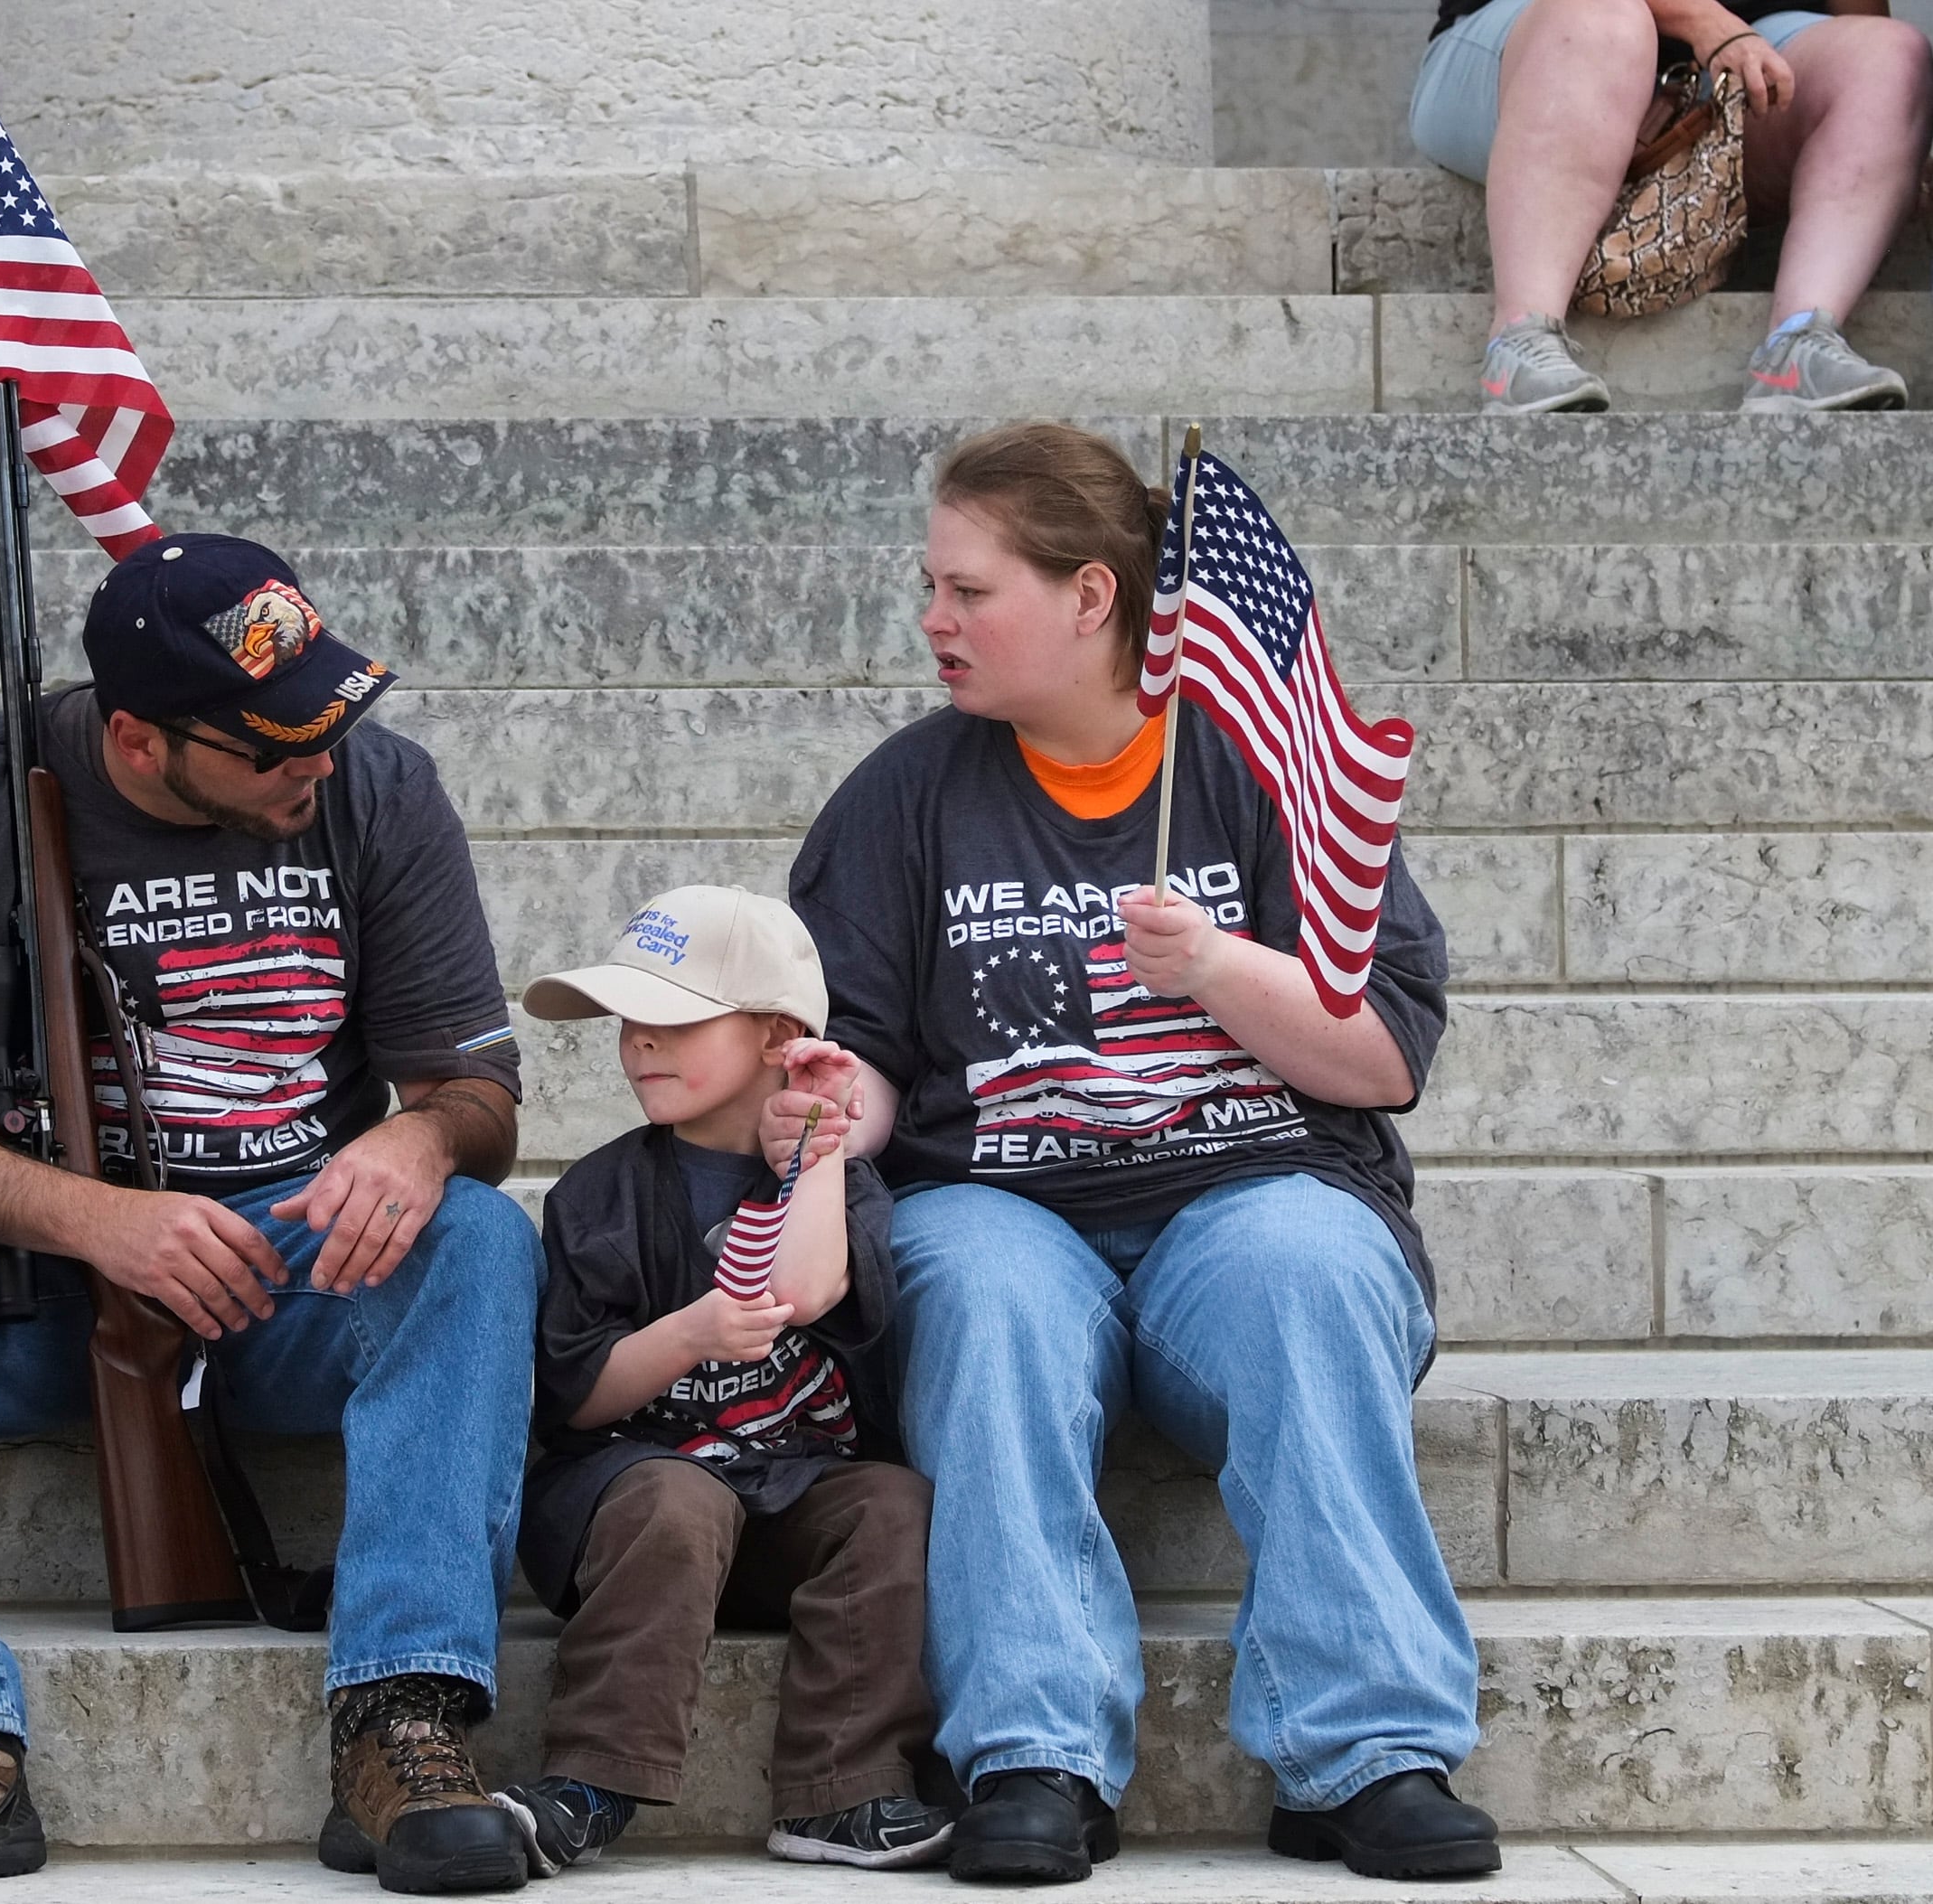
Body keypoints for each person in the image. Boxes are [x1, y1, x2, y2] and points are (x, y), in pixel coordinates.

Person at [0, 533, 542, 1899]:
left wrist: (419, 1133)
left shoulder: (379, 789)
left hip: (288, 1277)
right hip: (28, 1289)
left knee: (477, 1233)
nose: (318, 764)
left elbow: (480, 1093)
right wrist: (102, 1222)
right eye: (275, 745)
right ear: (140, 737)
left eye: (329, 724)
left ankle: (405, 1715)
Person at [778, 424, 1496, 1884]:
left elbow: (1390, 1056)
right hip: (1005, 1199)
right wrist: (812, 1098)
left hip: (1248, 1197)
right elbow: (857, 1057)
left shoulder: (1252, 762)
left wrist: (1219, 970)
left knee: (1308, 1268)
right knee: (976, 1282)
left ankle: (1369, 1747)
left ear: (1091, 597)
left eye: (970, 591)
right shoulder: (905, 799)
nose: (934, 620)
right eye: (934, 585)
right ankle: (1036, 1749)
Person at [498, 886, 952, 1875]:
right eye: (628, 1023)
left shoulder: (847, 1184)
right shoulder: (599, 1192)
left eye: (672, 1021)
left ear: (777, 1034)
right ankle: (589, 1779)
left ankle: (841, 1790)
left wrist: (822, 1147)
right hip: (628, 1521)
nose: (638, 1046)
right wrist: (690, 1333)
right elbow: (577, 1398)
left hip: (787, 1506)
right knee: (674, 1495)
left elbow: (801, 1288)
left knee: (890, 1503)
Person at [1409, 0, 1931, 413]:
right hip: (1535, 43)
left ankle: (1801, 345)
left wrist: (1894, 135)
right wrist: (1700, 17)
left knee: (1889, 58)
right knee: (1606, 19)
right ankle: (1520, 340)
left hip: (1739, 63)